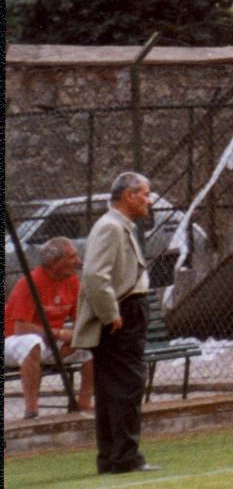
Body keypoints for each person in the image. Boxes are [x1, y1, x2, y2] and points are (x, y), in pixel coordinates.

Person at [76, 171, 153, 475]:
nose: (149, 200)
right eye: (145, 193)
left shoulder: (116, 226)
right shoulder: (110, 227)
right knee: (126, 385)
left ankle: (112, 456)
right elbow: (95, 275)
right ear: (128, 195)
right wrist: (112, 314)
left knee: (111, 387)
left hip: (124, 310)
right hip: (124, 312)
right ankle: (124, 456)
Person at [4, 237, 91, 418]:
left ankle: (84, 403)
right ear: (55, 262)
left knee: (91, 344)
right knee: (32, 342)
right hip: (13, 342)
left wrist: (77, 338)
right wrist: (60, 334)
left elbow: (80, 320)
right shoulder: (31, 282)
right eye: (72, 257)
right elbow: (21, 328)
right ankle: (31, 410)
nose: (78, 261)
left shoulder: (73, 281)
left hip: (48, 344)